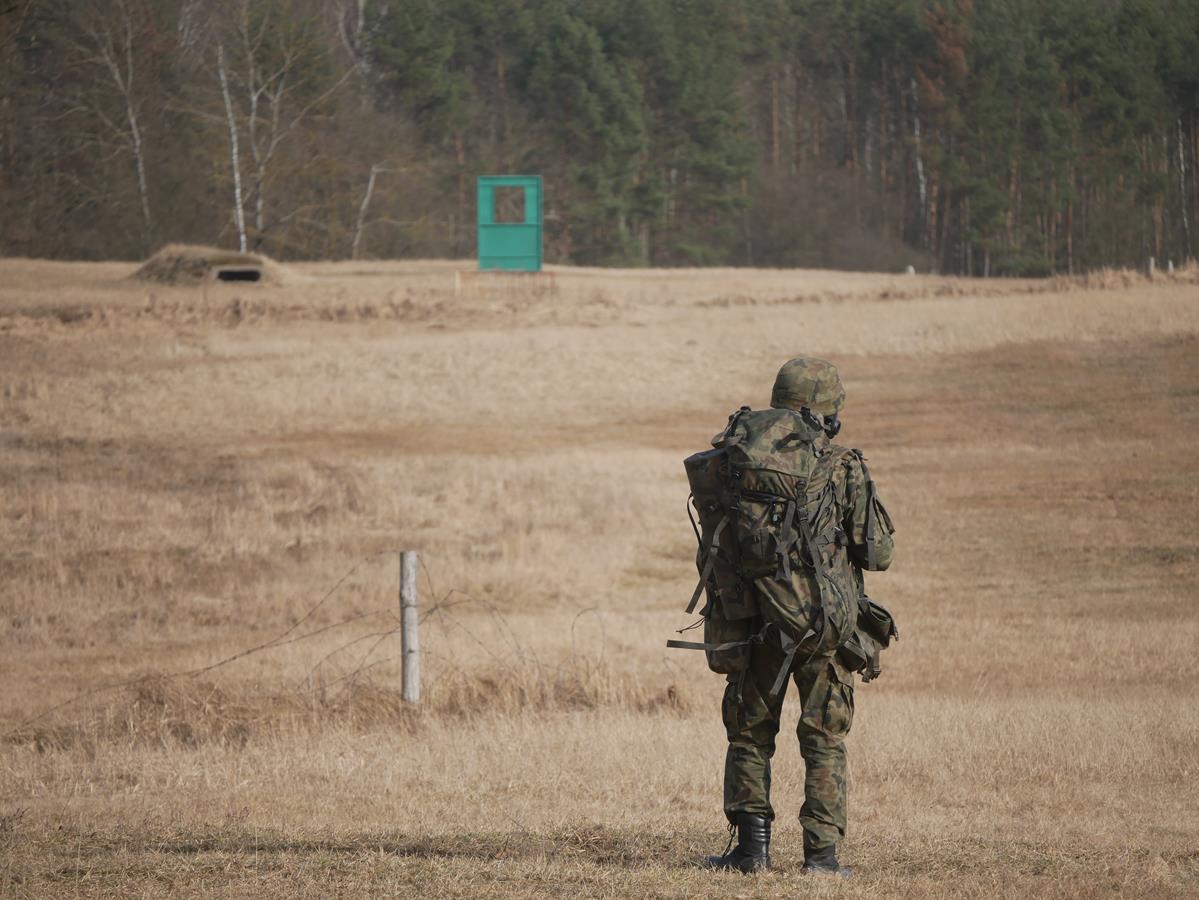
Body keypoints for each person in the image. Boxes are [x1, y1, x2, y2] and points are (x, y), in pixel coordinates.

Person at [702, 357, 896, 877]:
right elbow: (877, 553)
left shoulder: (735, 459)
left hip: (753, 616)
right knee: (823, 737)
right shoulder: (840, 464)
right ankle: (822, 860)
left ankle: (750, 853)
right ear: (825, 410)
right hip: (821, 624)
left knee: (749, 732)